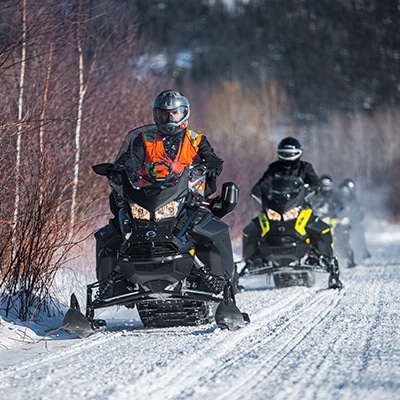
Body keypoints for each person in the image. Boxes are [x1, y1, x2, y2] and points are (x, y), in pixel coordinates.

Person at [94, 89, 231, 299]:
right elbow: (130, 159)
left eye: (173, 113)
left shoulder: (196, 140)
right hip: (146, 199)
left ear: (184, 113)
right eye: (163, 114)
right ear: (156, 115)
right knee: (111, 233)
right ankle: (107, 290)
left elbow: (211, 158)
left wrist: (210, 166)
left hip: (185, 199)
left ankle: (222, 282)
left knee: (210, 229)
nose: (168, 118)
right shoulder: (144, 139)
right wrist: (119, 168)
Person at [242, 137, 342, 287]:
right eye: (284, 153)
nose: (288, 157)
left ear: (298, 153)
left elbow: (315, 182)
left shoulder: (305, 168)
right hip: (275, 207)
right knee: (251, 230)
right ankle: (252, 260)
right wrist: (256, 191)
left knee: (321, 229)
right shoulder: (274, 168)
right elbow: (262, 183)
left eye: (290, 153)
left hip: (300, 207)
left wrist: (313, 188)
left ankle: (325, 260)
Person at [338, 178, 370, 263]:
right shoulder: (337, 198)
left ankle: (362, 251)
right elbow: (335, 209)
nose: (344, 191)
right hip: (338, 222)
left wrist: (353, 219)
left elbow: (358, 211)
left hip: (352, 222)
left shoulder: (353, 198)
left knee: (359, 230)